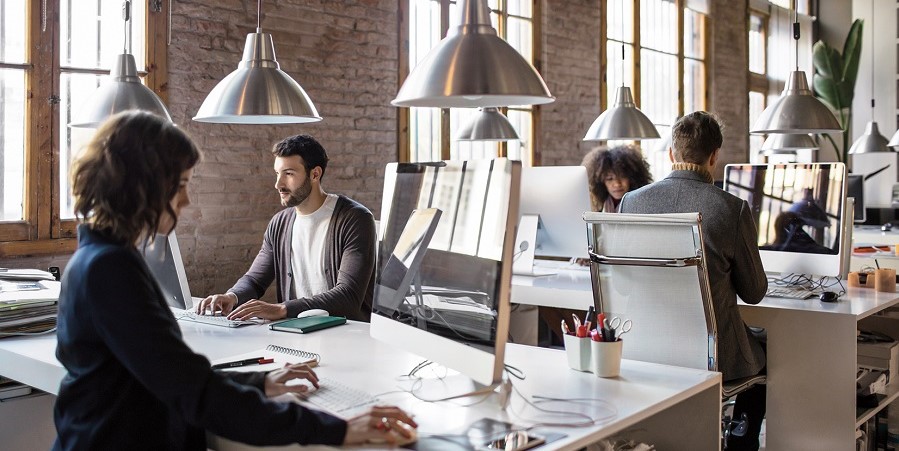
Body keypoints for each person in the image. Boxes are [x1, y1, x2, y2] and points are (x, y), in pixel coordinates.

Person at [54, 111, 415, 450]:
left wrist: (260, 382)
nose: (186, 198)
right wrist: (338, 428)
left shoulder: (103, 259)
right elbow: (194, 392)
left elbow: (171, 378)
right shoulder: (110, 270)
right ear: (145, 184)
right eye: (179, 184)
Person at [619, 111, 767, 451]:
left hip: (645, 350)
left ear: (671, 153)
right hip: (711, 357)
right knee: (771, 350)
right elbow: (755, 293)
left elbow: (624, 285)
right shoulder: (732, 208)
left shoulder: (631, 202)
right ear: (714, 156)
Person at [197, 135, 376, 322]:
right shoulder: (280, 223)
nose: (278, 184)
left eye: (289, 174)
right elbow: (255, 280)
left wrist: (282, 309)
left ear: (315, 174)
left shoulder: (355, 219)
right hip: (294, 334)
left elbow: (348, 296)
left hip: (345, 336)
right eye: (277, 173)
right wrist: (231, 297)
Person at [582, 145, 653, 213]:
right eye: (609, 179)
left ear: (633, 178)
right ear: (601, 182)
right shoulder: (596, 207)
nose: (617, 184)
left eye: (622, 176)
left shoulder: (644, 205)